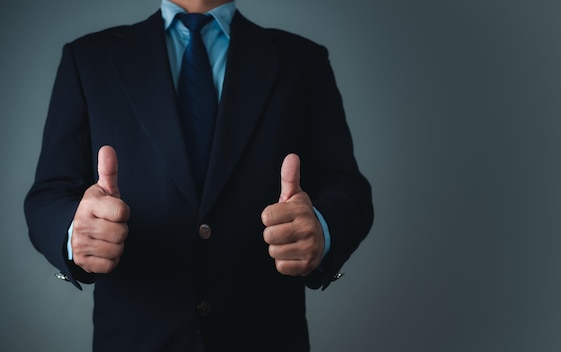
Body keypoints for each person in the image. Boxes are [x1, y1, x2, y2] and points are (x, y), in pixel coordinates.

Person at [24, 0, 373, 350]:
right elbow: (49, 195)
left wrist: (322, 231)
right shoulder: (89, 59)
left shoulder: (302, 61)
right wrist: (74, 233)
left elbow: (348, 189)